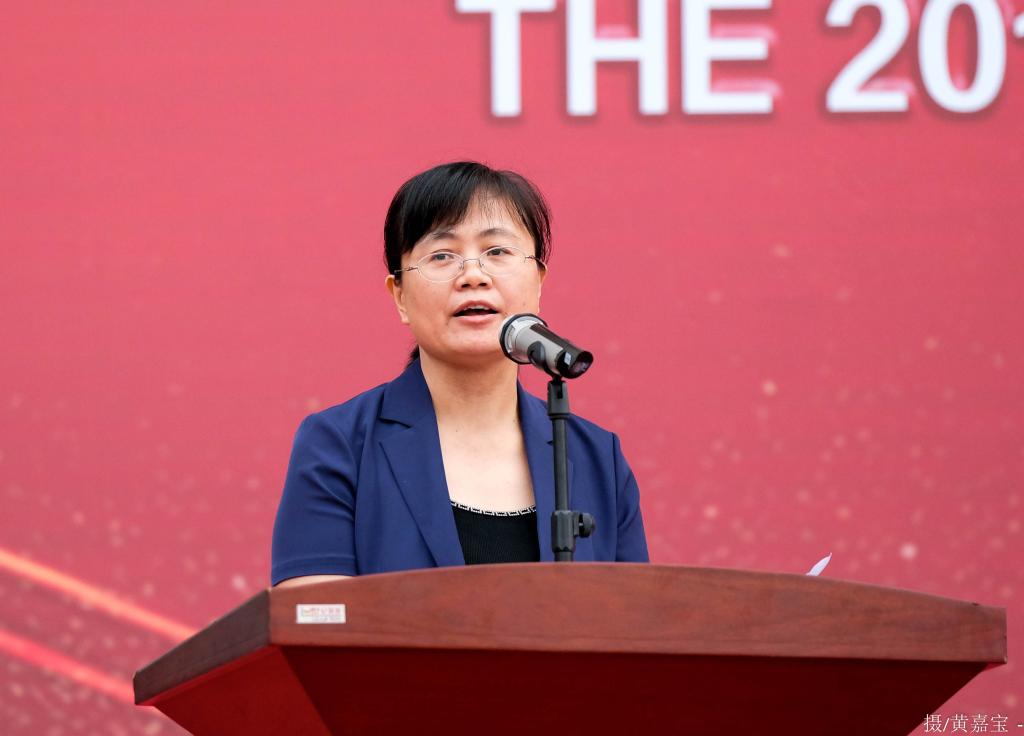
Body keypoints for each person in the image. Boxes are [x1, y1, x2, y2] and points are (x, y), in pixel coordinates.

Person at [270, 161, 648, 588]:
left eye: (497, 252)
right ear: (399, 297)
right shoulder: (340, 444)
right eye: (442, 255)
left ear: (538, 282)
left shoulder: (596, 457)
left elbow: (634, 619)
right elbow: (314, 614)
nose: (473, 275)